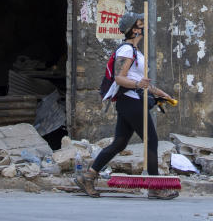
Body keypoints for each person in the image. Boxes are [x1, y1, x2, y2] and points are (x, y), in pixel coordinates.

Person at [73, 11, 178, 199]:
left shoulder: (135, 51)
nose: (143, 27)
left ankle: (88, 177)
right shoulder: (127, 50)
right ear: (133, 30)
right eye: (140, 25)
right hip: (131, 102)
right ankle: (155, 187)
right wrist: (139, 85)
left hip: (130, 101)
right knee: (152, 141)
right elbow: (120, 78)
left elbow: (138, 79)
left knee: (119, 143)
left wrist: (159, 93)